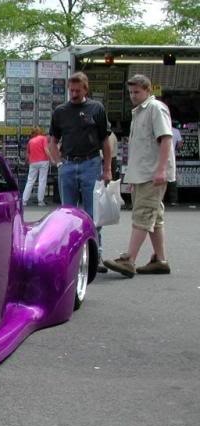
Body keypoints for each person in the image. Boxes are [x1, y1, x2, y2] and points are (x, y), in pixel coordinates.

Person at [103, 74, 174, 278]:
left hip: (152, 173)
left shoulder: (155, 108)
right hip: (144, 173)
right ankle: (160, 260)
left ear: (148, 90)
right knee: (154, 217)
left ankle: (129, 259)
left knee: (142, 215)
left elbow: (166, 139)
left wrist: (161, 170)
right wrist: (134, 177)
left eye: (137, 92)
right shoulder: (140, 112)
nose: (133, 96)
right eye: (131, 92)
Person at [48, 71, 113, 271]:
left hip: (91, 163)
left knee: (93, 213)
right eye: (71, 90)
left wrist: (107, 168)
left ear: (86, 89)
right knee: (68, 212)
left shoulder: (96, 108)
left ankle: (95, 256)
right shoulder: (60, 111)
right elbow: (52, 140)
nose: (74, 94)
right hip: (68, 164)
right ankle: (70, 256)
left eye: (77, 90)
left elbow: (105, 140)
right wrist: (58, 162)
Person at [21, 126, 51, 207]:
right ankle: (40, 201)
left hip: (33, 162)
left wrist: (26, 162)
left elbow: (28, 154)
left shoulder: (30, 141)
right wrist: (51, 158)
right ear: (40, 131)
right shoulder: (43, 138)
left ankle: (24, 201)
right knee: (42, 181)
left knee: (30, 181)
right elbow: (46, 149)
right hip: (43, 161)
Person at [166, 121, 183, 205]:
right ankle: (173, 200)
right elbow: (180, 144)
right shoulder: (176, 131)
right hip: (171, 156)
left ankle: (159, 199)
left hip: (158, 155)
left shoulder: (159, 129)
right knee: (172, 178)